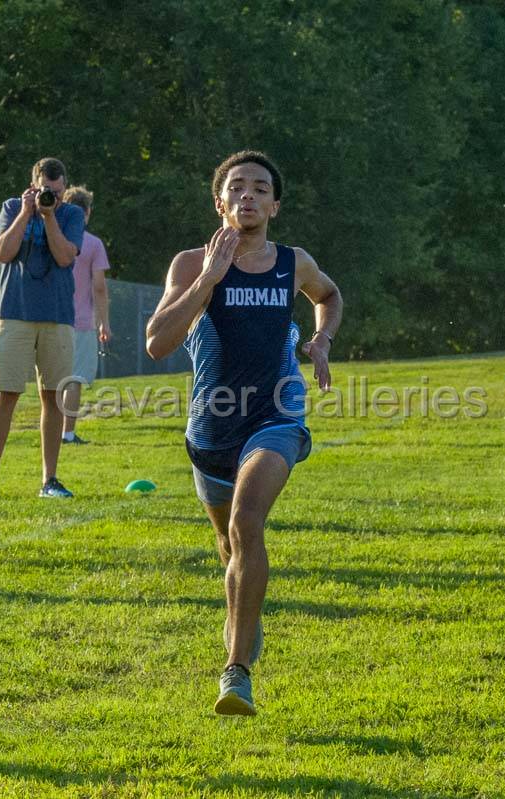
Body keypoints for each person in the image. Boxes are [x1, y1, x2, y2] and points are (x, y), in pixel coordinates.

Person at [146, 150, 343, 716]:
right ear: (219, 202)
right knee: (229, 542)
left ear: (275, 205)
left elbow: (328, 296)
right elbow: (158, 342)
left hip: (276, 416)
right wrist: (209, 277)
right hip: (211, 426)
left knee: (246, 520)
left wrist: (321, 341)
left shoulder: (293, 263)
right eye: (237, 187)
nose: (248, 196)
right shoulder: (190, 264)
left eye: (260, 188)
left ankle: (236, 672)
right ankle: (245, 615)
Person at [0, 158, 84, 499]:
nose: (49, 196)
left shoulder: (70, 215)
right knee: (5, 394)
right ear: (32, 184)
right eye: (44, 191)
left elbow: (66, 256)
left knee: (53, 396)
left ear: (65, 188)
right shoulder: (12, 208)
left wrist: (49, 215)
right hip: (14, 313)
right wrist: (27, 213)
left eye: (56, 191)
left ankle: (49, 480)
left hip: (56, 315)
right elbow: (2, 253)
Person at [59, 186, 111, 445]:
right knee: (74, 379)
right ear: (87, 212)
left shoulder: (54, 239)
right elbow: (99, 287)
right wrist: (104, 323)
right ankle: (67, 432)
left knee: (53, 378)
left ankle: (52, 429)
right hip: (80, 322)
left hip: (52, 319)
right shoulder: (93, 244)